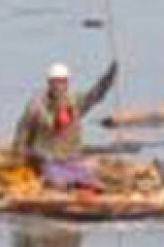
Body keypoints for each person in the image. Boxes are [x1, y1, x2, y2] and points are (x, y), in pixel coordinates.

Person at [12, 60, 118, 189]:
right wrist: (19, 153)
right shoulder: (37, 105)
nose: (59, 86)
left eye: (62, 81)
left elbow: (94, 96)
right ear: (49, 83)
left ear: (67, 83)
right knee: (57, 183)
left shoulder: (75, 102)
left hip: (71, 158)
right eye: (56, 81)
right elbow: (23, 130)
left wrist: (108, 79)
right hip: (47, 159)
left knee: (91, 180)